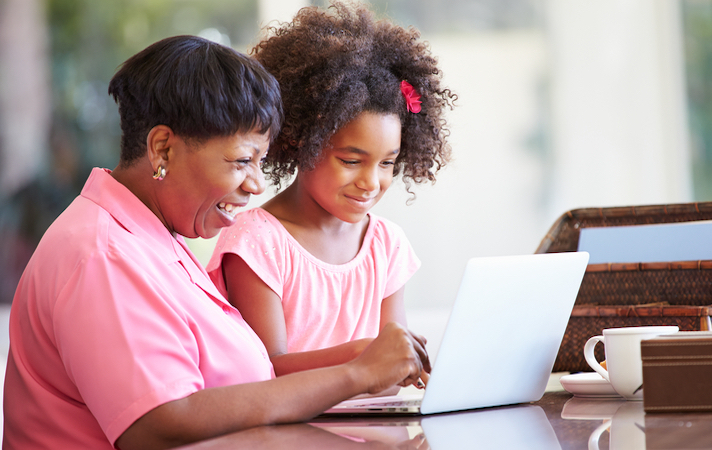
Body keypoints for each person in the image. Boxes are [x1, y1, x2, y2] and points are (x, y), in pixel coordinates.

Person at [2, 35, 430, 450]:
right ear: (163, 149)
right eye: (242, 160)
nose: (256, 184)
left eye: (260, 161)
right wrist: (356, 374)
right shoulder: (103, 255)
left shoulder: (157, 240)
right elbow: (160, 423)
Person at [206, 1, 456, 381]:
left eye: (387, 163)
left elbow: (388, 370)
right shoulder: (256, 242)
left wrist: (406, 365)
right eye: (352, 161)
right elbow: (265, 371)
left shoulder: (385, 245)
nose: (372, 182)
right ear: (300, 140)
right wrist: (360, 356)